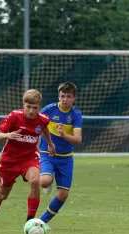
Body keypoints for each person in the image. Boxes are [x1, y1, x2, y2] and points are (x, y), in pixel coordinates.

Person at [0, 89, 56, 234]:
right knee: (2, 195)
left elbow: (44, 128)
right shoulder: (14, 117)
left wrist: (50, 143)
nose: (30, 111)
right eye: (28, 107)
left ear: (39, 107)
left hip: (29, 158)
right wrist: (8, 134)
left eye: (34, 108)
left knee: (35, 180)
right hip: (9, 161)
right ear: (24, 105)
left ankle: (30, 220)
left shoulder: (43, 119)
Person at [38, 82, 82, 226]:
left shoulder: (75, 114)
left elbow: (78, 140)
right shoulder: (48, 110)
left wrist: (64, 135)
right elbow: (37, 128)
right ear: (58, 96)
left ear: (73, 98)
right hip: (47, 153)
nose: (65, 99)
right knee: (44, 181)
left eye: (68, 96)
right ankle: (48, 180)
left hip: (66, 158)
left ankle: (42, 222)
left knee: (63, 194)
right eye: (62, 96)